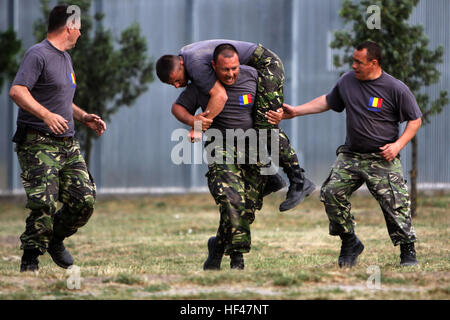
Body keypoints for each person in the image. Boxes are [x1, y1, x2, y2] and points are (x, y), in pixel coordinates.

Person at [280, 41, 421, 268]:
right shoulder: (347, 81)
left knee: (395, 203)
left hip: (382, 158)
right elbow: (327, 101)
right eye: (353, 60)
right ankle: (349, 241)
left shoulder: (395, 88)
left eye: (359, 62)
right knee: (331, 193)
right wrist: (296, 111)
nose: (353, 65)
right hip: (351, 156)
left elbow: (416, 120)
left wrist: (398, 145)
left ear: (373, 63)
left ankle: (408, 251)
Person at [156, 39, 315, 212]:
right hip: (259, 65)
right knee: (254, 123)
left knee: (266, 123)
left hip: (267, 65)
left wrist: (198, 127)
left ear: (181, 63)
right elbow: (182, 106)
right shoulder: (187, 57)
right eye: (172, 84)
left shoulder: (195, 66)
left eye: (176, 80)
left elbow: (220, 96)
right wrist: (192, 121)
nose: (178, 85)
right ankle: (269, 177)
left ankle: (299, 181)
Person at [9, 4, 106, 272]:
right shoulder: (37, 54)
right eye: (80, 28)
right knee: (44, 202)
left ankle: (55, 239)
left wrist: (84, 116)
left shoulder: (65, 58)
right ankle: (30, 259)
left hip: (67, 143)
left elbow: (62, 100)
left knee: (84, 200)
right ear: (69, 27)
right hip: (38, 141)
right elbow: (17, 91)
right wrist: (45, 115)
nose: (81, 34)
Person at [172, 44, 282, 270]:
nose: (231, 74)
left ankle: (218, 247)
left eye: (234, 68)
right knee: (231, 199)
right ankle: (237, 259)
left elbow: (268, 107)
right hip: (220, 146)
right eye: (225, 70)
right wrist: (195, 123)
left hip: (251, 149)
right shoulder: (203, 86)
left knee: (247, 208)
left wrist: (277, 113)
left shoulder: (253, 76)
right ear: (214, 67)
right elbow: (177, 107)